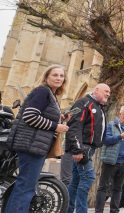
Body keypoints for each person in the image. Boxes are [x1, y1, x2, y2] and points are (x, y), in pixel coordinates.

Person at [4, 65, 70, 213]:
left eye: (61, 75)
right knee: (26, 187)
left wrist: (61, 118)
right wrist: (55, 126)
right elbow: (30, 116)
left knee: (24, 186)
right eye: (55, 75)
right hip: (30, 145)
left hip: (35, 145)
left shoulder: (50, 95)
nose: (59, 78)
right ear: (46, 77)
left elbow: (41, 116)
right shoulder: (42, 92)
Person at [65, 83, 111, 213]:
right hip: (83, 149)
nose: (108, 94)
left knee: (75, 181)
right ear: (96, 90)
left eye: (109, 92)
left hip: (89, 149)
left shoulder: (98, 106)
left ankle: (68, 210)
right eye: (106, 91)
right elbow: (74, 125)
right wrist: (77, 149)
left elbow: (69, 114)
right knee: (88, 178)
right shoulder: (83, 103)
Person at [95, 104, 124, 213]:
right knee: (103, 187)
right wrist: (120, 136)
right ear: (120, 114)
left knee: (118, 188)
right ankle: (98, 211)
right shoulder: (111, 125)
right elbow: (106, 140)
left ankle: (114, 210)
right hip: (110, 161)